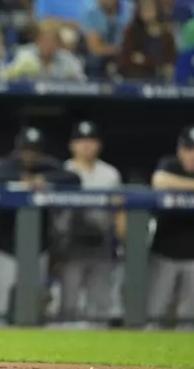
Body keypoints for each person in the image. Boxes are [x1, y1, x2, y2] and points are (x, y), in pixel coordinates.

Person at [0, 127, 81, 325]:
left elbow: (74, 179)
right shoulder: (4, 166)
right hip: (4, 248)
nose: (30, 154)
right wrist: (18, 182)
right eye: (26, 150)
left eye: (34, 150)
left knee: (33, 305)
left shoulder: (47, 168)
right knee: (0, 307)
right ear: (18, 149)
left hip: (38, 248)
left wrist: (43, 180)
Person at [149, 124, 194, 329]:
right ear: (180, 150)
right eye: (189, 149)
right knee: (154, 315)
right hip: (164, 254)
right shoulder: (170, 165)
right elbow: (159, 181)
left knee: (190, 321)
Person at [57, 121, 122, 325]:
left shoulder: (110, 174)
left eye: (91, 140)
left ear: (99, 144)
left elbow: (119, 212)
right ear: (72, 145)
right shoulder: (62, 171)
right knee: (68, 306)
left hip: (101, 246)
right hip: (69, 246)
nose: (86, 145)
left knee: (101, 305)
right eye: (81, 140)